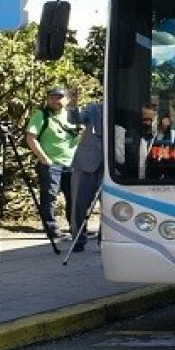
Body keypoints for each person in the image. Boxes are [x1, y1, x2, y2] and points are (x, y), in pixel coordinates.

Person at [25, 86, 81, 239]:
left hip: (72, 163)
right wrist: (44, 159)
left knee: (74, 197)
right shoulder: (41, 115)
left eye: (59, 97)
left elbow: (81, 134)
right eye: (52, 97)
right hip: (51, 163)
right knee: (49, 197)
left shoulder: (72, 115)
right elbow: (31, 138)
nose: (55, 100)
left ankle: (75, 228)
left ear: (66, 99)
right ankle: (51, 229)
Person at [69, 101, 103, 253]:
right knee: (79, 203)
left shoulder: (122, 109)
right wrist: (73, 105)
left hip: (110, 165)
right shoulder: (93, 108)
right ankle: (78, 239)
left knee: (109, 205)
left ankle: (104, 240)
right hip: (86, 162)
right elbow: (76, 119)